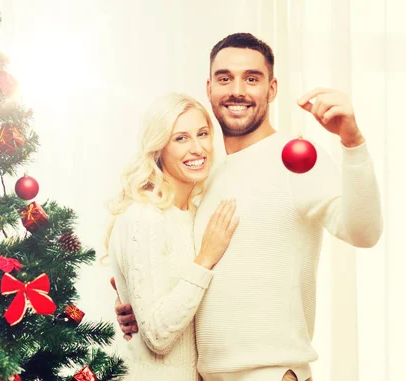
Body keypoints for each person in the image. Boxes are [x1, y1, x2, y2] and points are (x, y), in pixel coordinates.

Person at [111, 33, 384, 381]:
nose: (237, 90)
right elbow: (191, 274)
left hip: (271, 373)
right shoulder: (202, 175)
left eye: (251, 79)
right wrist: (139, 304)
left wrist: (352, 141)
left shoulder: (298, 159)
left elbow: (365, 232)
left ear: (271, 89)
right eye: (225, 78)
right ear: (209, 88)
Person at [105, 93, 240, 380]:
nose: (197, 148)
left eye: (202, 134)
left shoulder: (192, 214)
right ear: (159, 148)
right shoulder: (143, 217)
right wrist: (205, 258)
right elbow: (157, 336)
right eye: (181, 138)